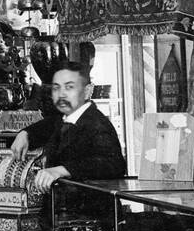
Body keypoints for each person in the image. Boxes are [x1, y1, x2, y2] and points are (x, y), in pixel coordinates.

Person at [13, 62, 126, 193]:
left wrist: (62, 170)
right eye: (56, 88)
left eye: (69, 87)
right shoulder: (64, 118)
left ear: (87, 90)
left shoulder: (97, 124)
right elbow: (46, 126)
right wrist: (25, 134)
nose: (61, 94)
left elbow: (114, 164)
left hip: (88, 211)